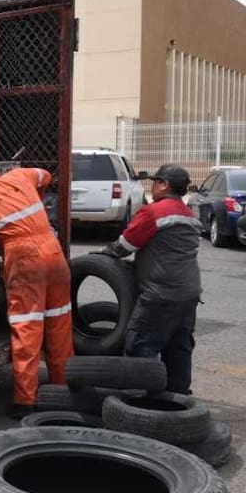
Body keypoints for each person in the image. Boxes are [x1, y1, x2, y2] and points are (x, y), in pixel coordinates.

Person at [0, 161, 73, 416]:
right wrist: (35, 196)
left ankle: (26, 401)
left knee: (28, 325)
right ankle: (63, 388)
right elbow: (46, 175)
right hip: (53, 250)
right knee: (59, 322)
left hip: (23, 256)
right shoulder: (21, 175)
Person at [98, 163, 202, 394]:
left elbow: (125, 245)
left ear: (164, 185)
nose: (152, 187)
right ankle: (177, 400)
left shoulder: (153, 212)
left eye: (155, 182)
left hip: (160, 295)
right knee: (178, 349)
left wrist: (105, 255)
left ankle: (143, 403)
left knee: (141, 345)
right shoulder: (188, 214)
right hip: (189, 295)